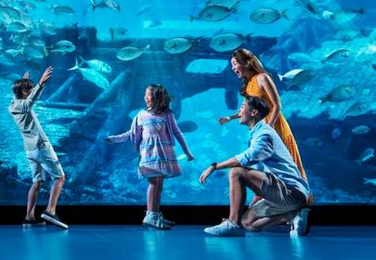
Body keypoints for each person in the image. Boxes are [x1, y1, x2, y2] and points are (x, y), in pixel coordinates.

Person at [200, 95, 311, 237]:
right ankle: (293, 216)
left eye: (242, 107)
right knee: (247, 223)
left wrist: (214, 166)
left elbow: (248, 157)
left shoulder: (264, 134)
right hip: (282, 196)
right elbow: (262, 172)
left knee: (236, 172)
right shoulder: (257, 133)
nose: (239, 111)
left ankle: (232, 224)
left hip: (291, 192)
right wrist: (258, 196)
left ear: (254, 113)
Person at [106, 84, 194, 229]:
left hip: (164, 153)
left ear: (158, 97)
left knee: (159, 184)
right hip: (150, 154)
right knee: (154, 183)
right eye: (145, 94)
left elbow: (178, 133)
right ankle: (150, 215)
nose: (146, 98)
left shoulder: (168, 115)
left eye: (149, 95)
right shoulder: (141, 115)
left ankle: (156, 214)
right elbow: (131, 134)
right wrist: (115, 138)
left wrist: (187, 152)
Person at [218, 48, 308, 182]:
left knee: (286, 160)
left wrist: (269, 128)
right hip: (259, 128)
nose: (232, 68)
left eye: (235, 63)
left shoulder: (263, 78)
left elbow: (277, 105)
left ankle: (298, 192)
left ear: (247, 63)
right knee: (266, 163)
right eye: (232, 65)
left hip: (274, 124)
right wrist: (230, 118)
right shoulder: (248, 85)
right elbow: (247, 109)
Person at [10, 66, 68, 229]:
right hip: (41, 147)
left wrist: (23, 81)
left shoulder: (13, 104)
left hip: (30, 151)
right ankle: (50, 211)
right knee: (60, 178)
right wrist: (41, 83)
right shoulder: (23, 106)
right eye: (29, 89)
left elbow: (19, 96)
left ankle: (29, 217)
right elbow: (30, 101)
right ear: (25, 93)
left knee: (37, 182)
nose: (32, 90)